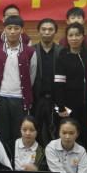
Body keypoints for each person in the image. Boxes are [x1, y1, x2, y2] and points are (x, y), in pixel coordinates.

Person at [0, 15, 37, 159]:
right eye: (9, 28)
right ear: (4, 30)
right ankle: (3, 164)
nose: (12, 31)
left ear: (22, 30)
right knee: (2, 134)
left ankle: (18, 163)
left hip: (20, 100)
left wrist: (25, 94)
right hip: (1, 99)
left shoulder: (29, 52)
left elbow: (31, 77)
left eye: (16, 28)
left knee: (19, 133)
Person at [54, 22, 87, 152]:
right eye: (70, 35)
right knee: (68, 135)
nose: (74, 38)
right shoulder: (63, 56)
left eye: (77, 35)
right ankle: (66, 163)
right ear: (66, 37)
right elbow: (58, 84)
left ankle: (83, 162)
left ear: (83, 36)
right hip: (69, 106)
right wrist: (61, 107)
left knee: (85, 135)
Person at [32, 18, 61, 146]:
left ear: (55, 32)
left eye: (50, 29)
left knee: (55, 131)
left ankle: (53, 157)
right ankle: (38, 156)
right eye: (43, 29)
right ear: (38, 31)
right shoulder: (31, 51)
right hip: (37, 99)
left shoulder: (62, 51)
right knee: (35, 130)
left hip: (55, 99)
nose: (47, 32)